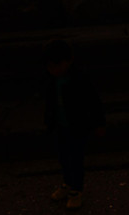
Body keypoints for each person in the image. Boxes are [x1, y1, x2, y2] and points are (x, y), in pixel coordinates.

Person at [43, 39, 105, 210]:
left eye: (57, 65)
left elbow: (94, 102)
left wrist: (99, 123)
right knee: (64, 157)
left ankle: (76, 189)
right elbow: (50, 104)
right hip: (60, 125)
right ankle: (68, 183)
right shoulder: (51, 81)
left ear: (68, 61)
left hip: (78, 126)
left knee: (75, 159)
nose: (54, 70)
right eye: (50, 66)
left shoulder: (79, 79)